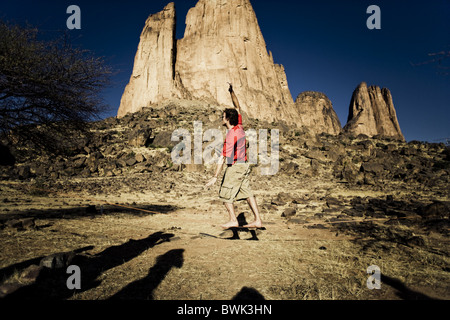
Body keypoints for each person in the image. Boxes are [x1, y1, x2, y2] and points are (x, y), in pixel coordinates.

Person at [204, 84, 263, 229]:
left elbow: (222, 158)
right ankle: (258, 220)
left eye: (223, 117)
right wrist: (232, 92)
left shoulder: (231, 136)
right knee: (248, 193)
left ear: (227, 119)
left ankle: (233, 220)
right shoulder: (240, 126)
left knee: (225, 194)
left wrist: (215, 177)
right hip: (244, 166)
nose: (221, 119)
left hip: (235, 167)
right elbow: (238, 106)